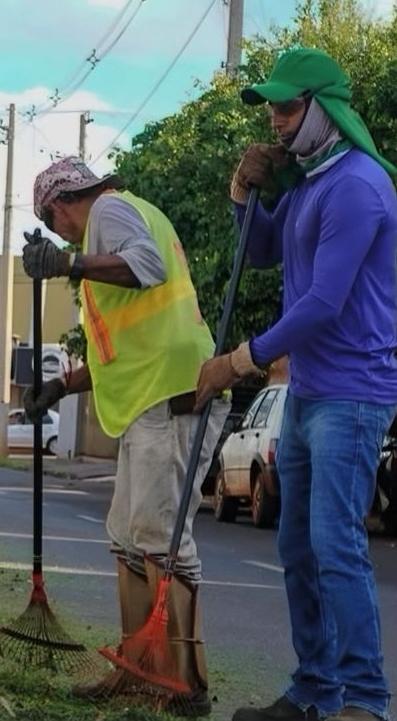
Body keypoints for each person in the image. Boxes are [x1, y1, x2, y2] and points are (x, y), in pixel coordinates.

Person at [195, 48, 397, 721]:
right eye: (273, 110)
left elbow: (321, 304)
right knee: (295, 544)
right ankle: (315, 689)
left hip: (354, 392)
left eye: (287, 106)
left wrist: (238, 361)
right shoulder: (311, 185)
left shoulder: (359, 186)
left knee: (336, 543)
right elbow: (259, 252)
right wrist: (241, 192)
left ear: (323, 108)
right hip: (310, 391)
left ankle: (365, 700)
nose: (276, 122)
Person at [22, 156, 227, 716]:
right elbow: (116, 351)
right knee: (129, 534)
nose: (57, 232)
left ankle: (184, 682)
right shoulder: (114, 227)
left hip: (175, 394)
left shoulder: (109, 211)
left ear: (62, 206)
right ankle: (143, 671)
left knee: (159, 536)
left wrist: (69, 261)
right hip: (151, 398)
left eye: (52, 222)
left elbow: (147, 266)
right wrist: (62, 387)